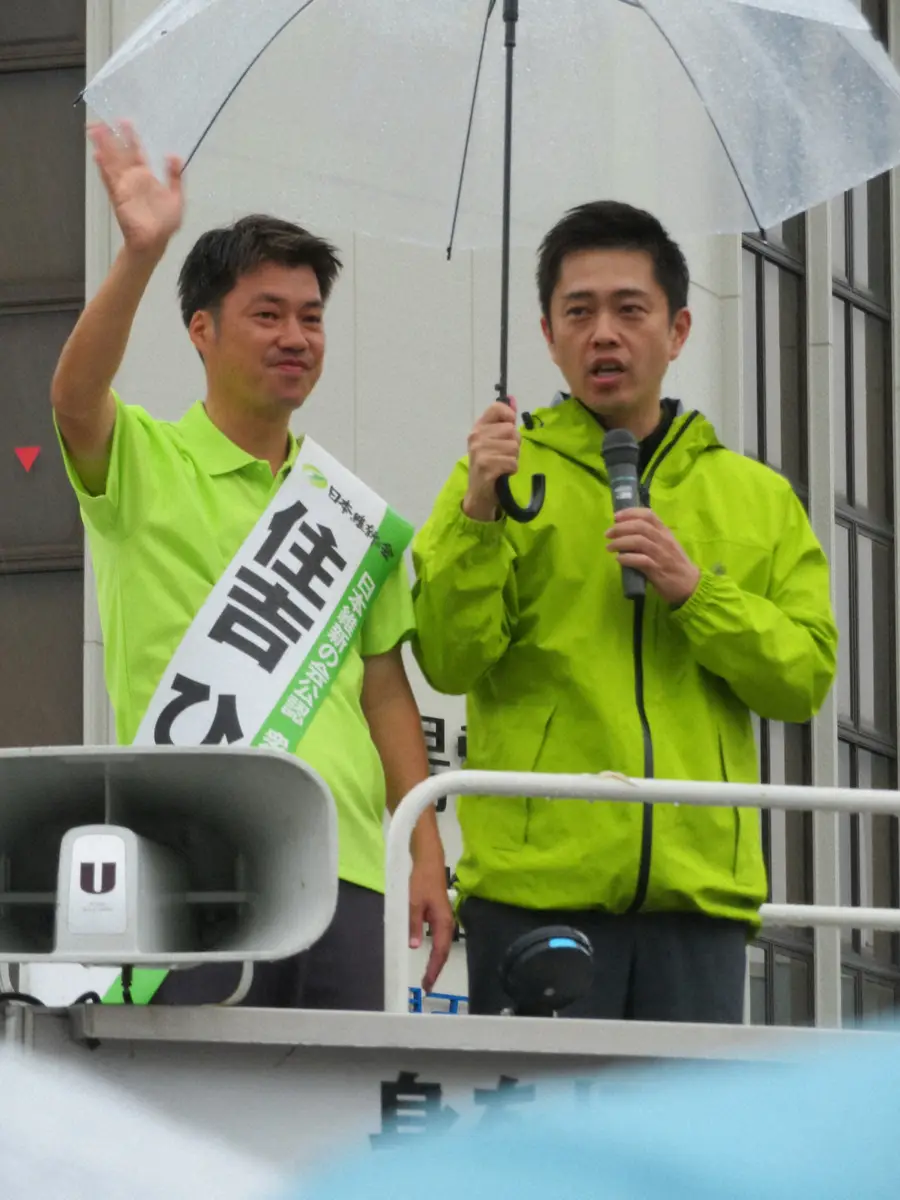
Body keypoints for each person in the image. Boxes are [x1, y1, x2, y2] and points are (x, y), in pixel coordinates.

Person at [51, 120, 453, 1009]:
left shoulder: (348, 514)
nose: (295, 337)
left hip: (345, 865)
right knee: (196, 1134)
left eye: (311, 318)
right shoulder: (146, 463)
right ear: (201, 330)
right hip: (192, 865)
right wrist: (140, 254)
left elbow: (385, 691)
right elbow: (74, 401)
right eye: (267, 315)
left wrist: (424, 852)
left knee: (341, 1129)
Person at [411, 200, 837, 1022]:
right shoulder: (499, 472)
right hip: (537, 892)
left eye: (629, 310)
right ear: (547, 334)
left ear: (677, 330)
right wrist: (477, 514)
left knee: (684, 1148)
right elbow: (448, 658)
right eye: (579, 312)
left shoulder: (755, 497)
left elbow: (803, 678)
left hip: (699, 899)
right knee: (547, 1148)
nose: (604, 333)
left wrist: (696, 592)